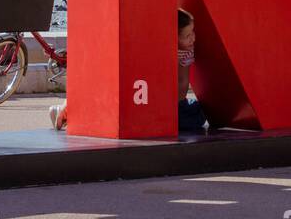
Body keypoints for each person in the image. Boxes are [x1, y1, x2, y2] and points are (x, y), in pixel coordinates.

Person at [50, 9, 207, 132]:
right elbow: (182, 85)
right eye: (187, 35)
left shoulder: (156, 48)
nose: (193, 38)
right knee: (197, 116)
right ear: (174, 37)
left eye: (193, 32)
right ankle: (69, 109)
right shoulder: (185, 53)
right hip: (166, 105)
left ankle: (69, 108)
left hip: (148, 100)